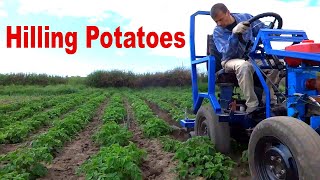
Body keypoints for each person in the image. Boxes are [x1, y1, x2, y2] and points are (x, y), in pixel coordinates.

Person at [210, 3, 279, 113]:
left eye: (221, 19)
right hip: (230, 60)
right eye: (216, 21)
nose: (219, 23)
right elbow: (227, 53)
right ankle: (252, 105)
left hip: (250, 57)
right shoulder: (218, 31)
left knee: (275, 64)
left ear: (228, 12)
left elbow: (262, 31)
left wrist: (271, 31)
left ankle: (268, 100)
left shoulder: (246, 18)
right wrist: (234, 35)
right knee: (244, 66)